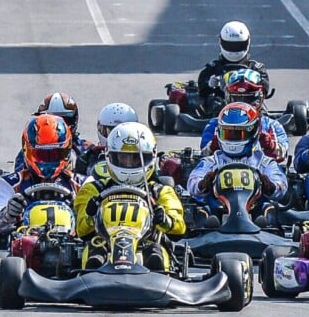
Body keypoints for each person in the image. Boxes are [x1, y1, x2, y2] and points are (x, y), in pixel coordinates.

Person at [74, 122, 185, 269]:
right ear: (110, 156)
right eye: (123, 158)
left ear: (150, 157)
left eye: (135, 159)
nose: (129, 164)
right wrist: (91, 215)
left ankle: (157, 272)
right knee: (94, 253)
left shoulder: (160, 191)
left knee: (155, 253)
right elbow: (81, 231)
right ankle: (93, 272)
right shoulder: (93, 189)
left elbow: (179, 228)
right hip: (104, 247)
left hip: (147, 247)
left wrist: (164, 220)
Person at [0, 114, 79, 235]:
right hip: (23, 242)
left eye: (55, 154)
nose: (48, 160)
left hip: (72, 243)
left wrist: (82, 208)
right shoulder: (8, 184)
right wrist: (7, 214)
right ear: (27, 150)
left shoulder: (81, 183)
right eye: (41, 154)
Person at [187, 103, 287, 216]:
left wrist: (270, 187)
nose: (232, 138)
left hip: (256, 214)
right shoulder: (212, 161)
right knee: (203, 212)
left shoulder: (264, 162)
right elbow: (192, 182)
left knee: (268, 210)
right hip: (218, 214)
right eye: (227, 133)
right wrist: (203, 184)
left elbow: (281, 185)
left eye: (238, 134)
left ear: (253, 132)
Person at [198, 68, 288, 161]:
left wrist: (270, 146)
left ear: (260, 97)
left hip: (260, 167)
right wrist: (214, 145)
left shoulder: (271, 125)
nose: (242, 104)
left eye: (247, 99)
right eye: (237, 99)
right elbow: (204, 154)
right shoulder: (216, 124)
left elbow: (282, 155)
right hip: (221, 166)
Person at [12, 92, 95, 173]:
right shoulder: (30, 150)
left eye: (65, 120)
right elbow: (20, 175)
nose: (57, 125)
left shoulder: (87, 149)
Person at [196, 21, 270, 102]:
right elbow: (201, 89)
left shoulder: (256, 68)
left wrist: (252, 82)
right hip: (219, 107)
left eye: (239, 45)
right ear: (221, 42)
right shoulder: (212, 68)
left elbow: (265, 89)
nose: (234, 49)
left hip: (249, 106)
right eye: (230, 45)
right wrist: (209, 84)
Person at [74, 102, 139, 177]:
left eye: (124, 133)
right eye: (112, 132)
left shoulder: (143, 157)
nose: (119, 138)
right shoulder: (89, 157)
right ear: (101, 129)